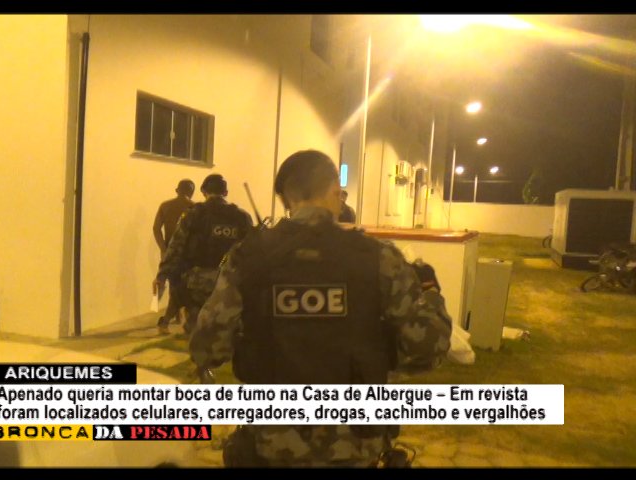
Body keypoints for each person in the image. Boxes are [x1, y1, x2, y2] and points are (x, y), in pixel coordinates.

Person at [189, 150, 452, 468]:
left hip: (272, 445)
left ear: (286, 199)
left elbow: (207, 348)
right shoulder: (378, 258)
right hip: (355, 446)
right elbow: (426, 348)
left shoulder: (248, 257)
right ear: (334, 192)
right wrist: (431, 295)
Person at [156, 174, 253, 335]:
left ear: (203, 191)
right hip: (229, 284)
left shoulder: (193, 214)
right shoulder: (242, 217)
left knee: (197, 333)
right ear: (226, 192)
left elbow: (175, 247)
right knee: (226, 333)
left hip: (197, 285)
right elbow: (251, 252)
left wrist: (162, 276)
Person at [153, 179, 196, 334]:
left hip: (169, 251)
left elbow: (156, 228)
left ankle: (167, 312)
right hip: (187, 254)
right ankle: (175, 317)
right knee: (182, 286)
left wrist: (163, 248)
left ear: (177, 190)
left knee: (171, 282)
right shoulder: (195, 208)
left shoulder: (165, 206)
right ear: (192, 192)